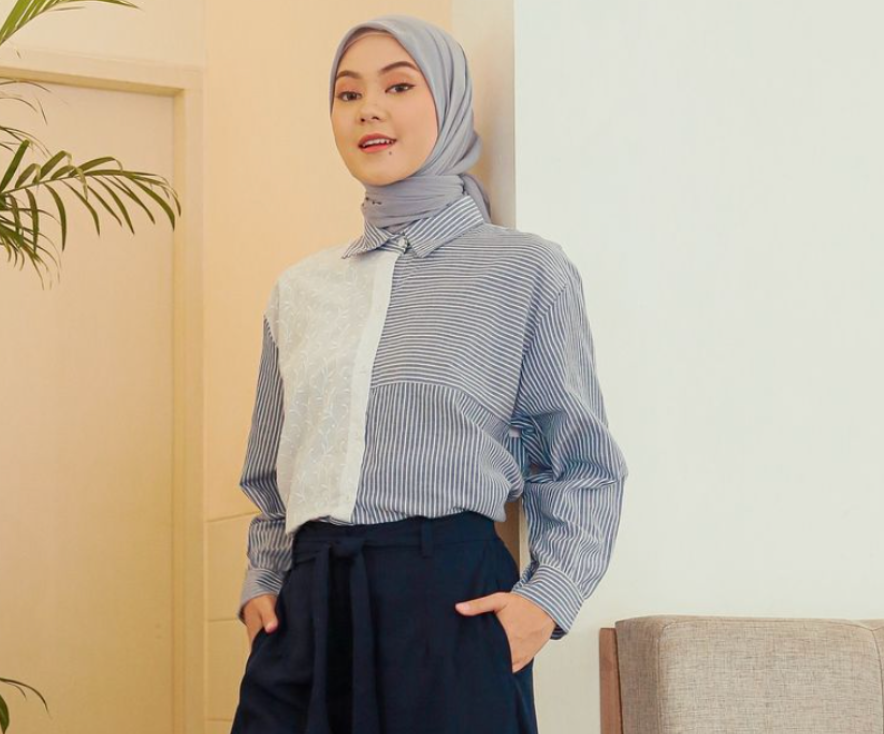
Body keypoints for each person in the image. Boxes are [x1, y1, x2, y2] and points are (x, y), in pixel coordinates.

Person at [230, 14, 629, 734]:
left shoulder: (524, 269)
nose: (369, 109)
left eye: (399, 86)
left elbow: (582, 463)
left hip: (449, 607)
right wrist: (264, 582)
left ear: (447, 100)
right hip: (307, 609)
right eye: (348, 94)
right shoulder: (300, 289)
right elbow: (270, 474)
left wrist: (547, 601)